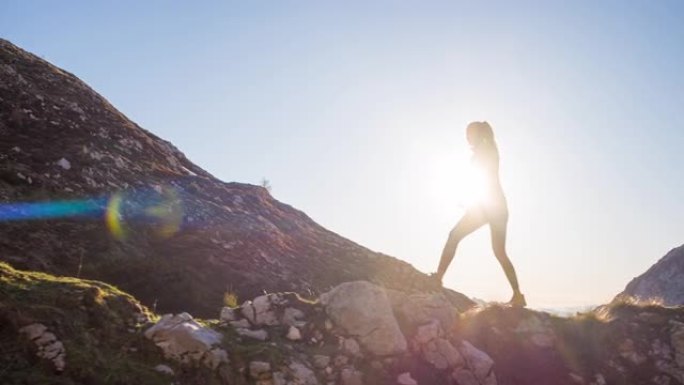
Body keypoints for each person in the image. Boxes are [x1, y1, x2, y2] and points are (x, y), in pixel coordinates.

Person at [432, 121, 526, 307]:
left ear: (475, 134)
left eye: (468, 133)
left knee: (454, 236)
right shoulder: (488, 149)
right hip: (496, 206)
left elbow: (482, 178)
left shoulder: (485, 150)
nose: (466, 137)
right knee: (499, 252)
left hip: (488, 206)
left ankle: (437, 278)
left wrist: (470, 202)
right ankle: (518, 295)